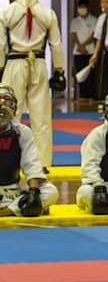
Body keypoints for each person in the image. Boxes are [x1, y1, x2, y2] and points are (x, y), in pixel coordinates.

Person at [0, 0, 65, 170]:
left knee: (9, 114)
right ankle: (43, 164)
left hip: (14, 64)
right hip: (38, 64)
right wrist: (59, 70)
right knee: (41, 117)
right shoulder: (47, 13)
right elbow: (56, 44)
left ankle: (7, 160)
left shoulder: (7, 12)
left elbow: (0, 45)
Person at [0, 84, 59, 217]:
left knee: (50, 191)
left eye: (6, 99)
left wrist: (33, 192)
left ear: (13, 106)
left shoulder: (22, 132)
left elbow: (31, 164)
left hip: (13, 192)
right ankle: (24, 208)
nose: (1, 104)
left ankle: (9, 210)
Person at [70, 0, 98, 99]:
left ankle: (91, 96)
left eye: (83, 7)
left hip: (90, 51)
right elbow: (73, 34)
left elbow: (94, 35)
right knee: (80, 75)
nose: (81, 9)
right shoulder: (75, 21)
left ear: (87, 7)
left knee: (90, 75)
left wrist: (83, 45)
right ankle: (82, 96)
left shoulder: (94, 20)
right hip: (77, 52)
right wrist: (79, 46)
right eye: (80, 7)